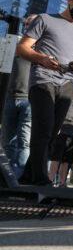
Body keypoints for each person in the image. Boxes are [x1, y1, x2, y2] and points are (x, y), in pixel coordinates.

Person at [17, 0, 73, 186]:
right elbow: (22, 47)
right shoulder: (44, 19)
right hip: (43, 80)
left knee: (52, 132)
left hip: (68, 83)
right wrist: (41, 58)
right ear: (70, 1)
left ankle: (27, 176)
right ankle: (40, 179)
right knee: (43, 127)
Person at [1, 14, 36, 178]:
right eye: (26, 22)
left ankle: (20, 176)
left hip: (28, 100)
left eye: (32, 23)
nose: (27, 25)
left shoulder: (40, 48)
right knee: (7, 141)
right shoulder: (13, 44)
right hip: (9, 98)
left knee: (24, 141)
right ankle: (7, 176)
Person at [48, 87, 73, 186]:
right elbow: (62, 115)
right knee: (55, 159)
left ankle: (62, 182)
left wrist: (71, 118)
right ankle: (49, 180)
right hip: (61, 133)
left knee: (66, 161)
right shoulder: (64, 101)